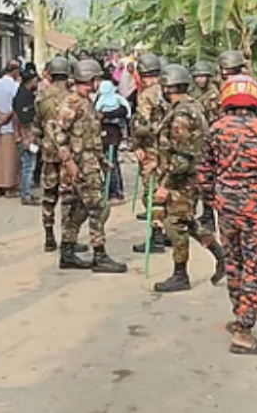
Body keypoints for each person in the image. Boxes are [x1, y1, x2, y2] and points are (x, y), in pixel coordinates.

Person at [200, 75, 257, 355]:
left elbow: (205, 173)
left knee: (235, 263)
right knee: (255, 267)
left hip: (227, 210)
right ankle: (243, 332)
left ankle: (240, 314)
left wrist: (213, 201)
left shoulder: (215, 129)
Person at [150, 64, 226, 292]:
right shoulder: (189, 107)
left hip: (182, 179)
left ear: (168, 87)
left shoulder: (182, 114)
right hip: (188, 176)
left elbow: (182, 157)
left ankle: (180, 275)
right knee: (188, 221)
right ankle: (221, 256)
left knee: (174, 225)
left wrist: (165, 185)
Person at [49, 59, 128, 273]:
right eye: (97, 79)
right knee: (98, 208)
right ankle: (99, 254)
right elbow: (58, 133)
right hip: (80, 166)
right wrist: (68, 162)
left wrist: (102, 160)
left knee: (76, 209)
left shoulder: (87, 102)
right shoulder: (72, 103)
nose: (99, 83)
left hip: (89, 163)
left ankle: (68, 252)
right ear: (89, 79)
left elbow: (91, 137)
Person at [34, 57, 88, 253]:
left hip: (48, 153)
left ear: (50, 74)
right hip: (68, 155)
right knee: (68, 197)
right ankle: (68, 239)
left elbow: (36, 128)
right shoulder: (73, 99)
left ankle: (49, 237)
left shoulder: (41, 98)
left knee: (49, 196)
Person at [131, 53, 171, 252]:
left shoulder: (146, 95)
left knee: (151, 193)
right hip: (167, 149)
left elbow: (141, 126)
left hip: (151, 150)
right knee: (165, 189)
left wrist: (136, 144)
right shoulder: (168, 90)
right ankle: (168, 232)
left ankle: (157, 236)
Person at [0, 61, 23, 196]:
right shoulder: (16, 87)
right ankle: (10, 186)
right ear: (15, 71)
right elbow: (16, 108)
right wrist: (6, 116)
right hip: (11, 126)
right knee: (11, 158)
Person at [95, 79, 130, 203]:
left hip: (113, 136)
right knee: (105, 163)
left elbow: (124, 111)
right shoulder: (99, 99)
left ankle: (116, 192)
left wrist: (105, 115)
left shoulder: (118, 101)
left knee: (112, 162)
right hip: (102, 135)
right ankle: (108, 189)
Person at [13, 67, 42, 206]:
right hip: (27, 135)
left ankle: (27, 192)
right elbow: (22, 120)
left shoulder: (24, 94)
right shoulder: (24, 97)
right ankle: (26, 195)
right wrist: (25, 137)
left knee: (30, 164)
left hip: (27, 133)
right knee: (28, 165)